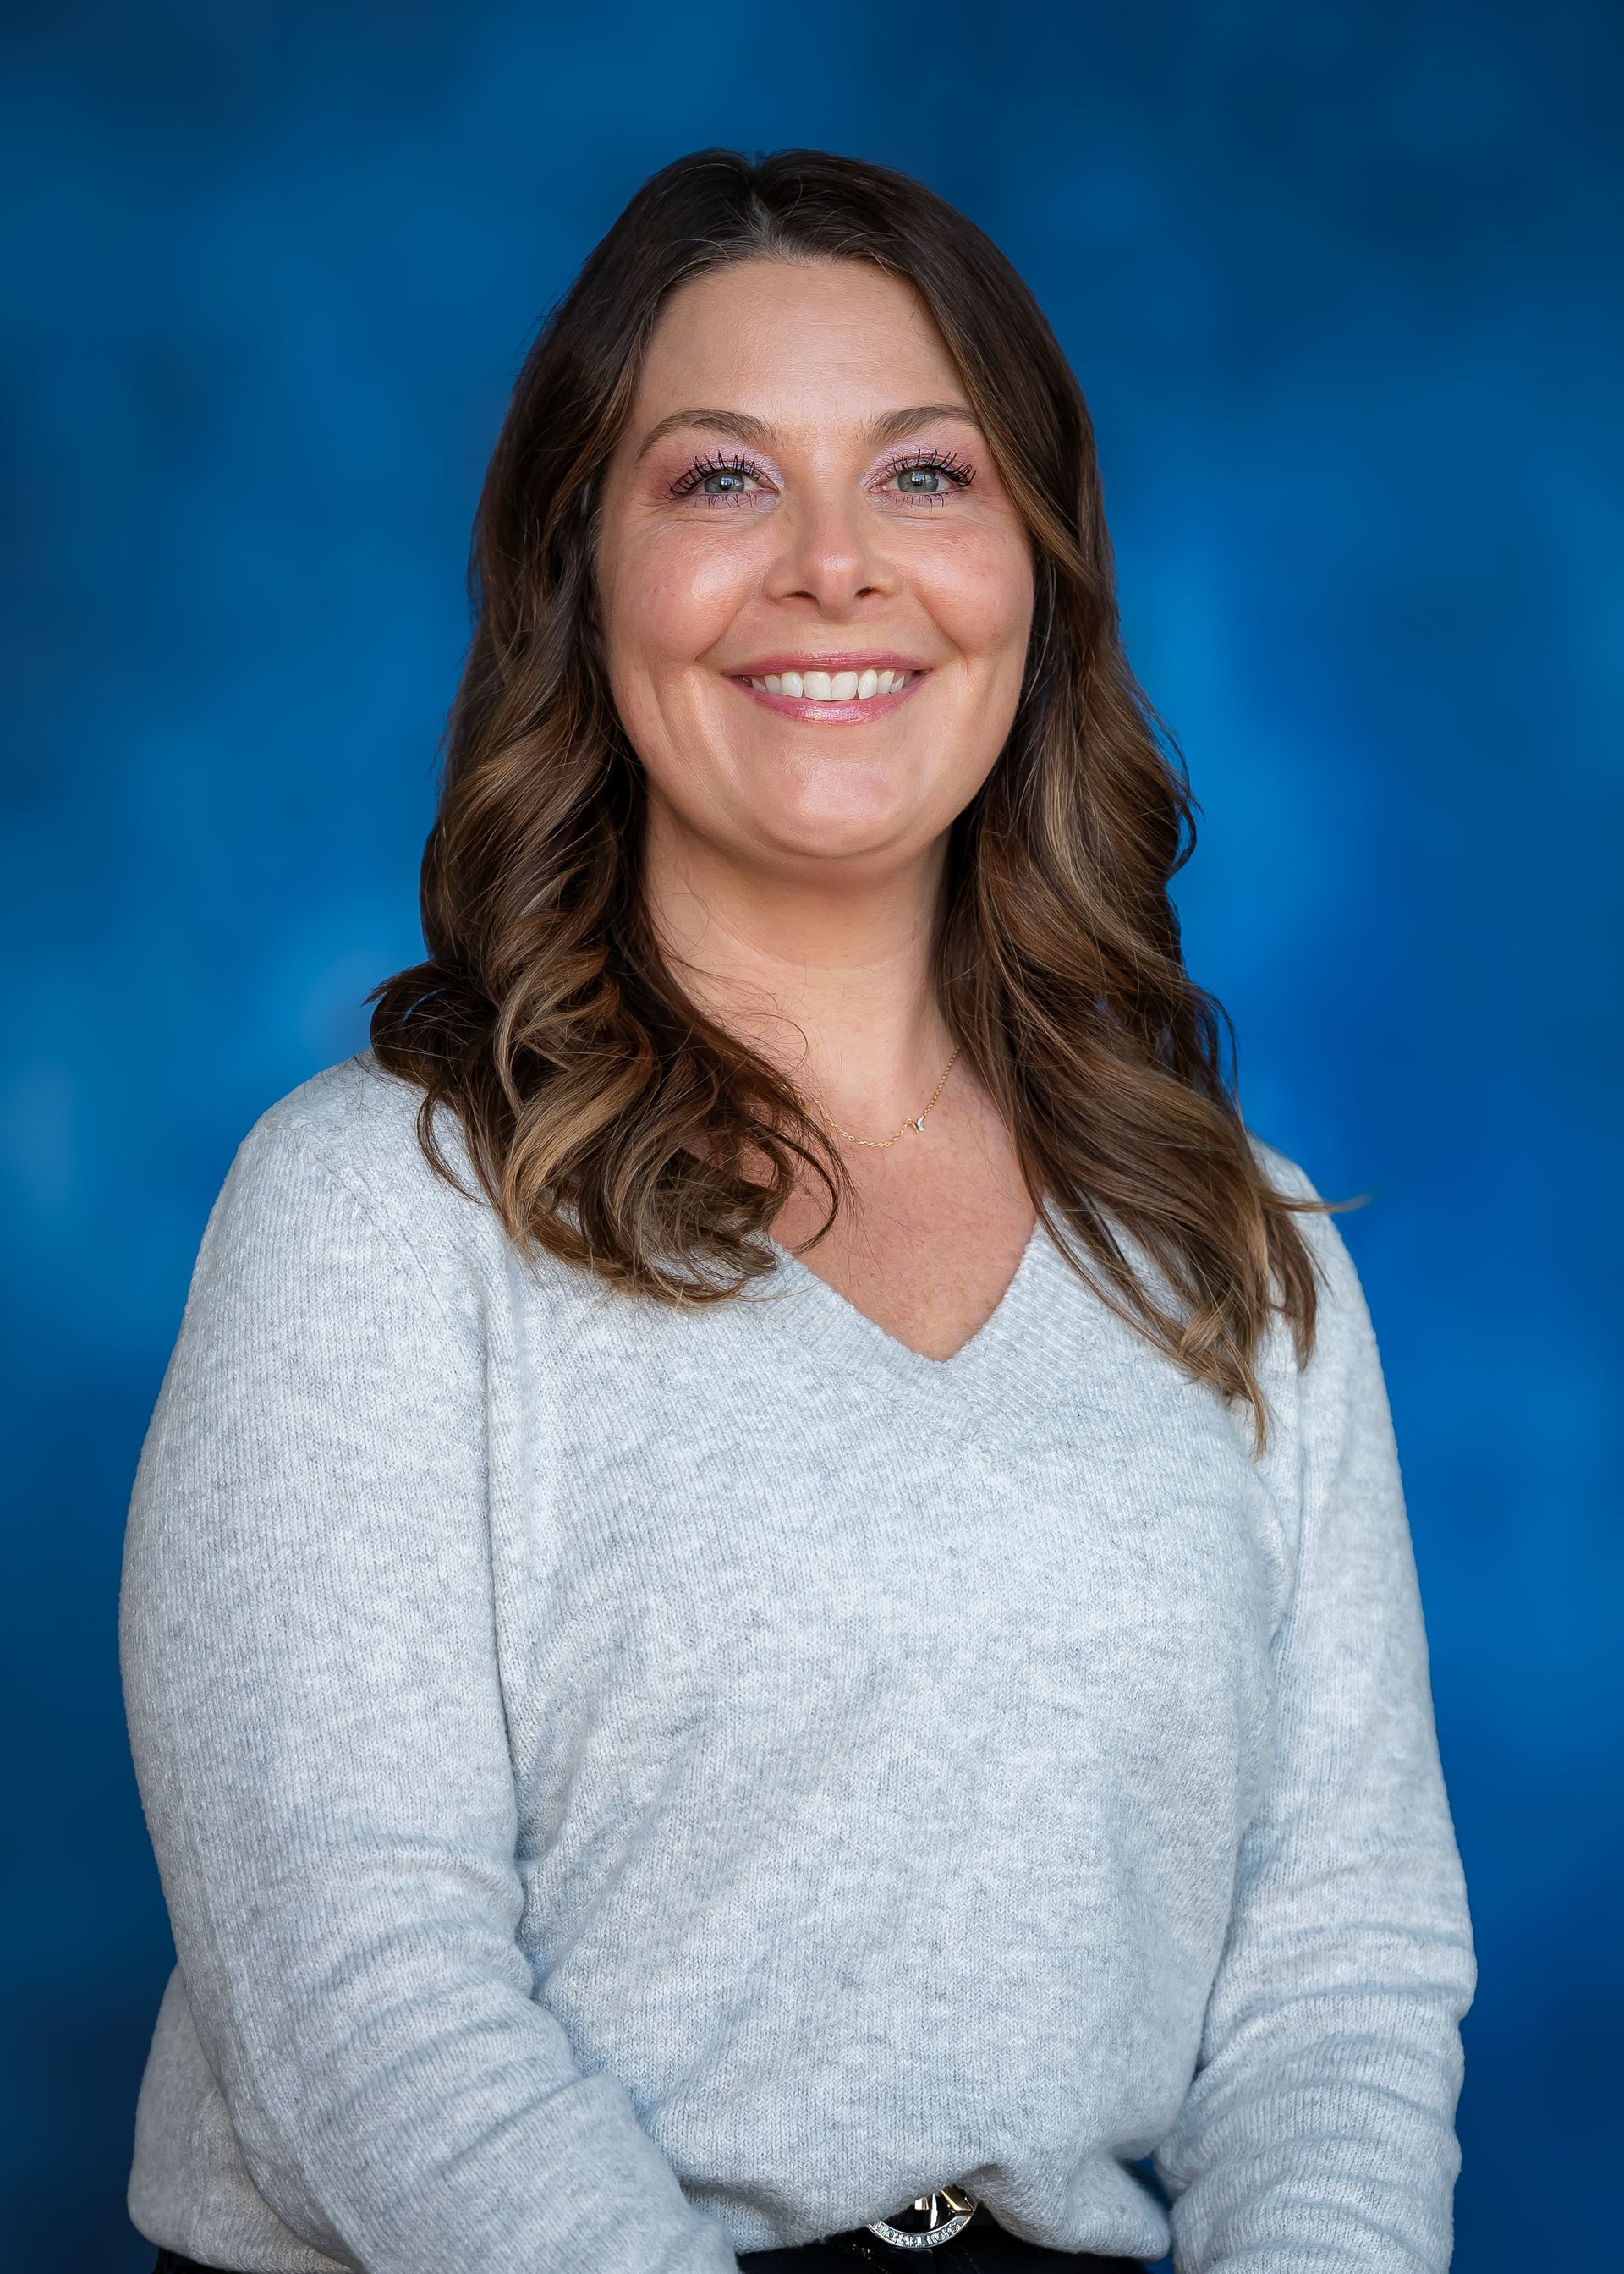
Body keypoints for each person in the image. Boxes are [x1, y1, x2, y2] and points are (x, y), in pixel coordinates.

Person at [118, 146, 1476, 2274]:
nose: (836, 569)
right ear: (586, 578)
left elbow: (1345, 1984)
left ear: (1038, 570)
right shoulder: (377, 1216)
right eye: (723, 481)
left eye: (924, 476)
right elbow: (357, 1995)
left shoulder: (1239, 1242)